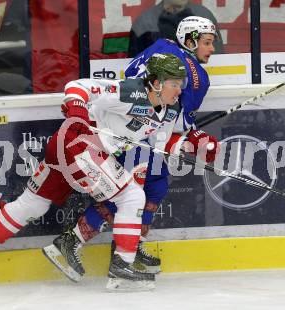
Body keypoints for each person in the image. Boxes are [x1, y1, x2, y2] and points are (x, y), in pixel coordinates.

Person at [0, 53, 193, 291]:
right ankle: (122, 264)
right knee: (131, 196)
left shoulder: (162, 108)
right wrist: (78, 111)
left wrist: (187, 147)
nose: (179, 90)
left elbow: (159, 141)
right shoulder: (132, 92)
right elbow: (78, 86)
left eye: (180, 84)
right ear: (157, 83)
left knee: (35, 203)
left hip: (67, 145)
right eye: (175, 84)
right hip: (81, 146)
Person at [43, 16, 219, 280]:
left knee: (154, 187)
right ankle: (74, 242)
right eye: (207, 42)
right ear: (191, 41)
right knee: (128, 193)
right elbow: (179, 119)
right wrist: (193, 136)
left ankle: (130, 247)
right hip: (135, 136)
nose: (212, 48)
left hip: (145, 132)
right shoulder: (196, 75)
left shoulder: (161, 45)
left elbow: (142, 90)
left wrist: (185, 139)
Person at [128, 0, 223, 57]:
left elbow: (218, 57)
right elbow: (135, 64)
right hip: (160, 85)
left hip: (200, 82)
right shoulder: (144, 22)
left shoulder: (204, 16)